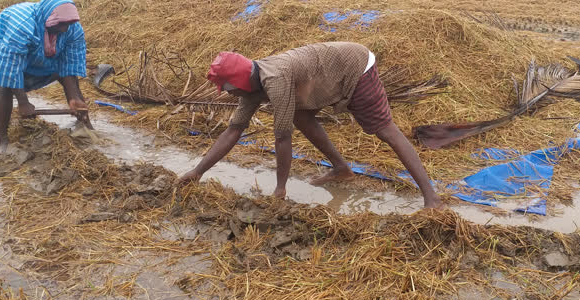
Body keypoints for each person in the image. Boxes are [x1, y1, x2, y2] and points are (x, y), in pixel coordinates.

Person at [178, 42, 444, 209]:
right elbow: (233, 130)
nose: (226, 93)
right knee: (302, 115)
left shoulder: (275, 80)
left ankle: (432, 199)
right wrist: (197, 171)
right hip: (322, 74)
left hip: (355, 66)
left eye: (226, 88)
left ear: (238, 81)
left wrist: (280, 189)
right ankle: (341, 169)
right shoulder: (250, 87)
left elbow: (282, 138)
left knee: (386, 131)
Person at [0, 0, 88, 153]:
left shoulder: (72, 29)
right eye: (60, 24)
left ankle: (85, 125)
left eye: (67, 24)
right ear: (48, 17)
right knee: (7, 85)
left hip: (39, 47)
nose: (64, 29)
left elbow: (68, 64)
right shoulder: (22, 25)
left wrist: (73, 97)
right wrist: (23, 103)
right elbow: (10, 68)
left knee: (69, 79)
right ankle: (2, 139)